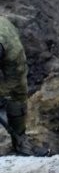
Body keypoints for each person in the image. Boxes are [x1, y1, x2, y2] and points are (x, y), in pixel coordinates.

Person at [0, 15, 32, 155]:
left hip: (12, 55)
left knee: (15, 93)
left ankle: (19, 139)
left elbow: (16, 87)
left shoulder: (11, 50)